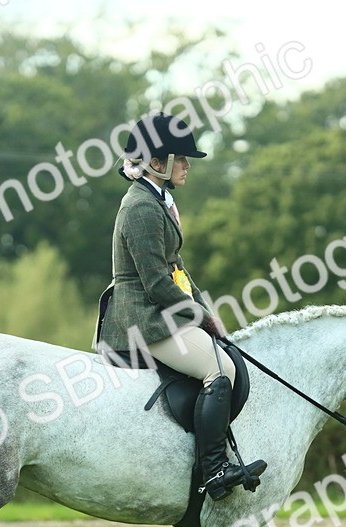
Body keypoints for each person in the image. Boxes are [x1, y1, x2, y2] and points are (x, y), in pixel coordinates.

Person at [95, 112, 266, 501]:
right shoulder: (139, 208)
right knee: (218, 368)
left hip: (160, 312)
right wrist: (199, 315)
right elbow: (156, 283)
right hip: (141, 320)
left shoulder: (159, 200)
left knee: (223, 353)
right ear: (158, 163)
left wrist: (209, 312)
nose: (188, 166)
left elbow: (179, 271)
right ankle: (214, 471)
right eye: (182, 159)